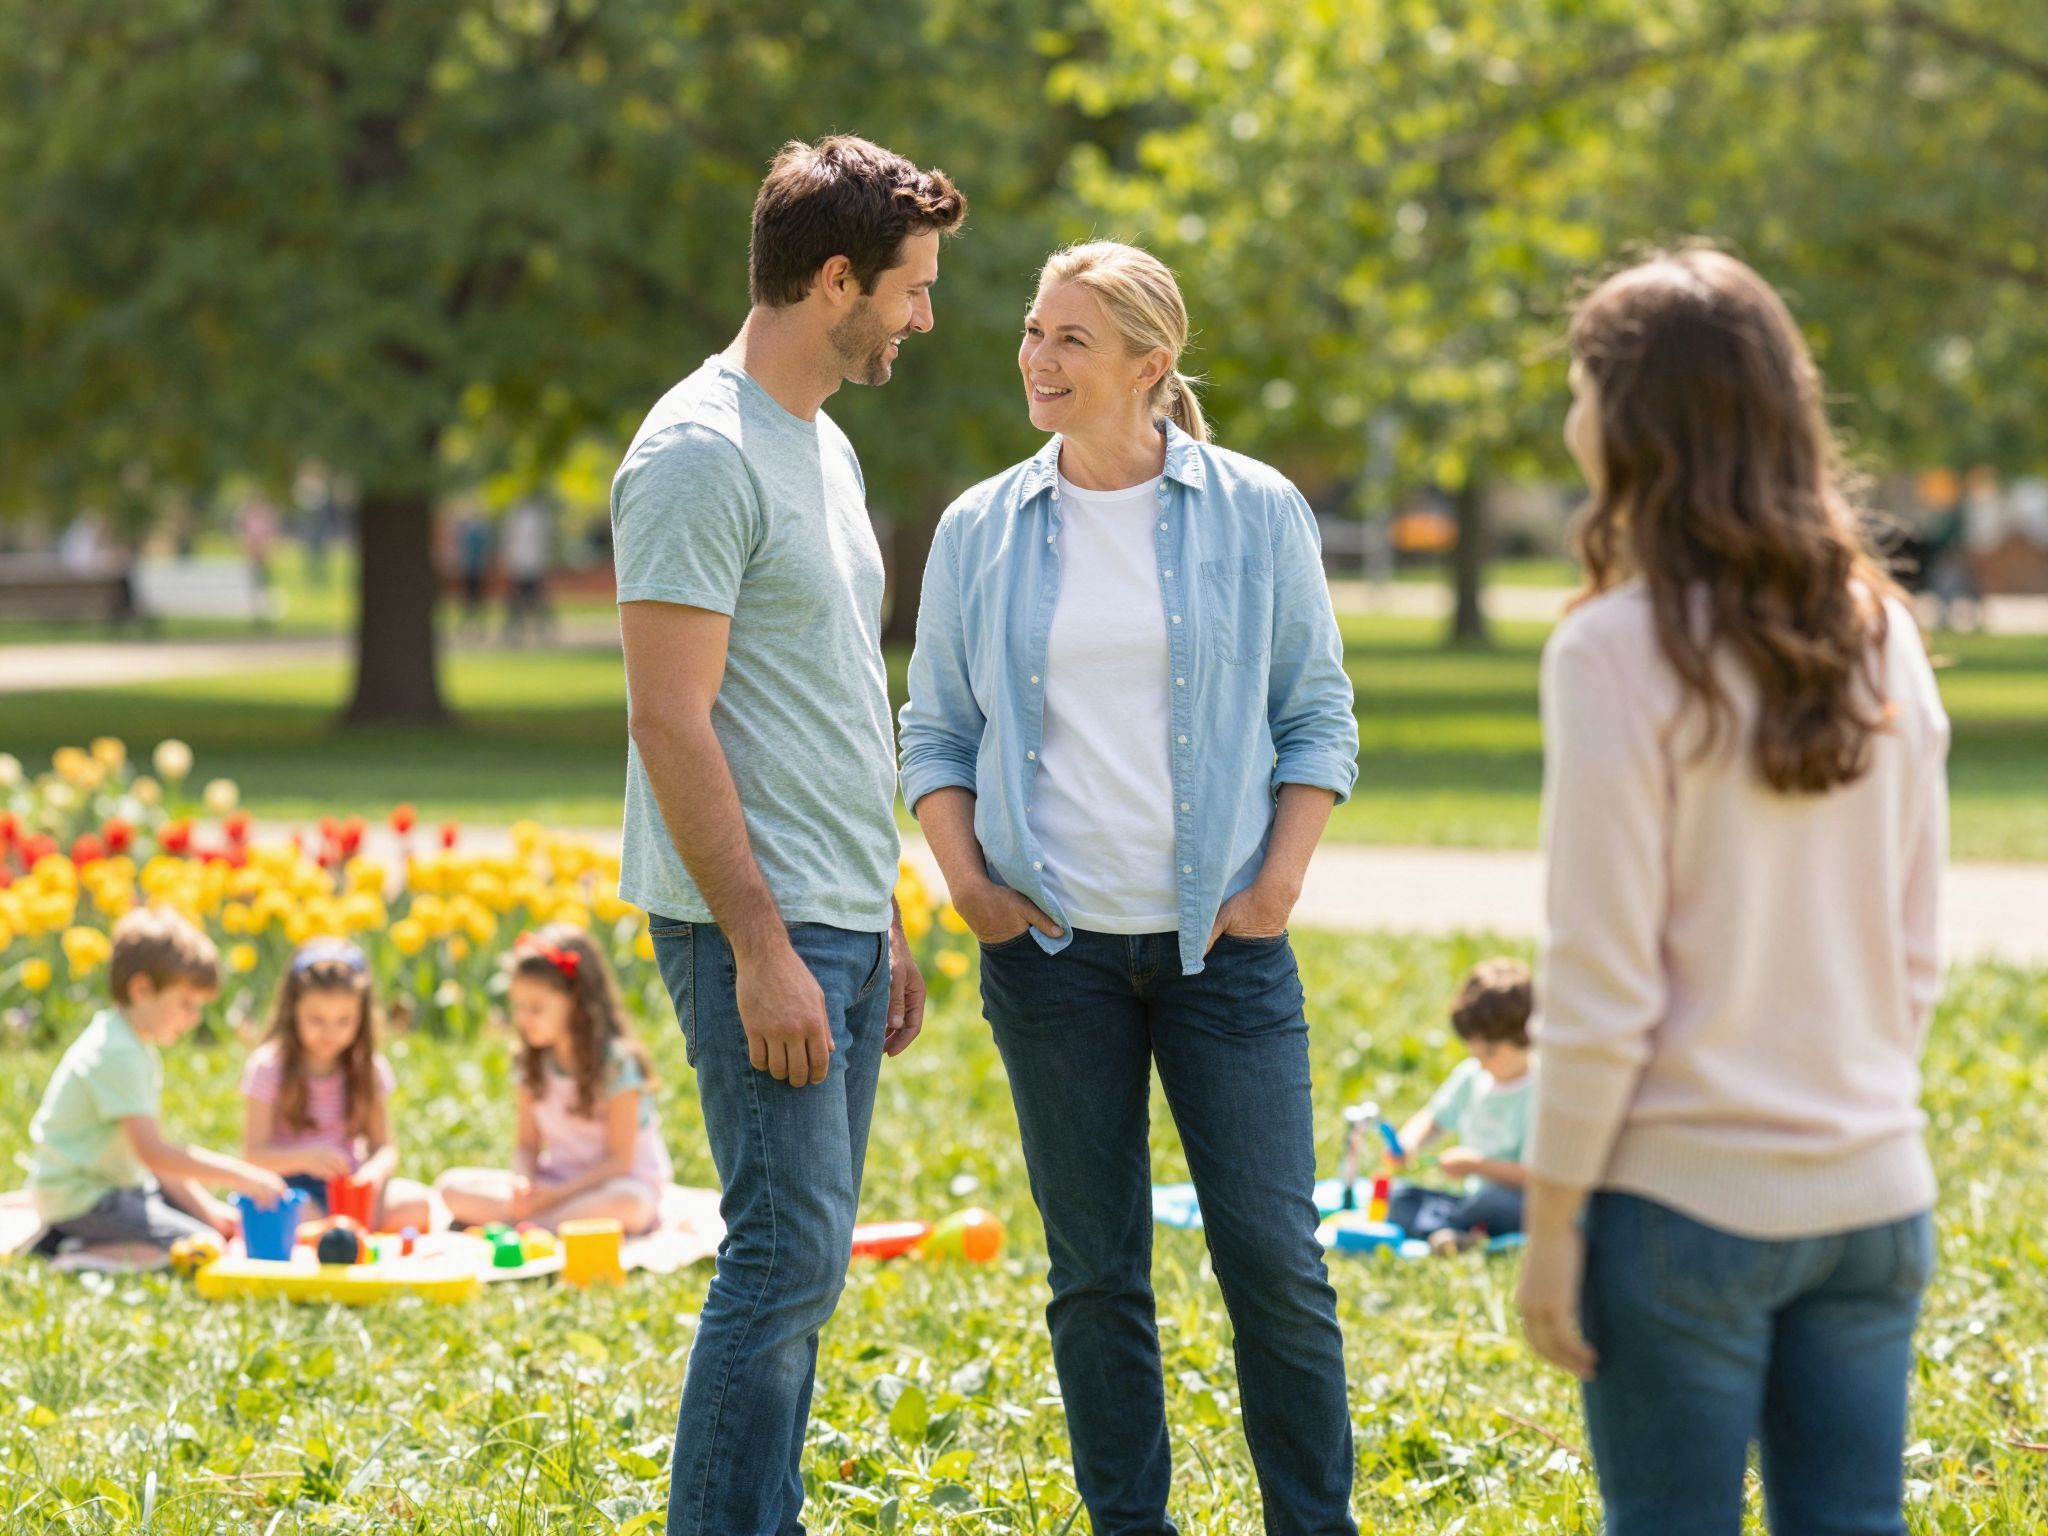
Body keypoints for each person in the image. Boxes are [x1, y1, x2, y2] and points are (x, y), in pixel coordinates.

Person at [899, 240, 1360, 1535]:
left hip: (1226, 954)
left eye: (1071, 341)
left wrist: (1277, 884)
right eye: (1035, 333)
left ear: (1150, 368)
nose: (1038, 359)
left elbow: (1317, 715)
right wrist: (972, 884)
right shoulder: (983, 526)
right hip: (1053, 960)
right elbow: (932, 729)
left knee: (1276, 1263)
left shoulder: (1258, 510)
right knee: (1096, 1276)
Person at [1514, 249, 1950, 1536]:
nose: (1569, 421)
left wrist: (1548, 1227)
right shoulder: (1882, 631)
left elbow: (1599, 981)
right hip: (1875, 1195)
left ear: (1640, 420)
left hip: (1679, 1211)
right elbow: (1914, 948)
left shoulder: (1609, 648)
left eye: (1583, 389)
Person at [609, 134, 955, 1536]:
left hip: (836, 910)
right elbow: (671, 723)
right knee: (784, 1255)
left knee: (806, 1263)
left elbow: (822, 697)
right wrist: (764, 944)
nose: (924, 317)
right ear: (835, 281)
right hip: (753, 921)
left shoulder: (818, 442)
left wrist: (880, 911)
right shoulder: (696, 454)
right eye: (912, 289)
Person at [28, 907, 286, 1255]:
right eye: (186, 1004)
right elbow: (157, 1155)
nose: (194, 1019)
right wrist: (245, 1176)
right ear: (142, 989)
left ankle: (83, 1241)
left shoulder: (129, 1043)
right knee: (201, 1248)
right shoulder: (118, 1054)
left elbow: (155, 1162)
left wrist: (209, 1212)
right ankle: (72, 1251)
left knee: (209, 1230)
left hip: (116, 1187)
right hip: (83, 1200)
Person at [436, 926, 673, 1234]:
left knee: (630, 1205)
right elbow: (526, 1143)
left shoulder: (617, 1064)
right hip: (555, 1185)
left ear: (577, 1002)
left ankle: (529, 1226)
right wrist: (523, 1183)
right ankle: (542, 1222)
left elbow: (619, 1161)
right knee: (450, 1187)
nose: (522, 1018)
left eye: (535, 1008)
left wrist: (556, 1196)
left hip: (614, 1185)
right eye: (518, 1006)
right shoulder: (530, 1061)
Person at [241, 938, 431, 1232]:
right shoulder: (269, 1067)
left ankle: (338, 1231)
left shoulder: (367, 1068)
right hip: (291, 1188)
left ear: (361, 1017)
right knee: (290, 1216)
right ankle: (336, 1232)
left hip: (349, 1187)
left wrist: (371, 1175)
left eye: (344, 1020)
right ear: (293, 1011)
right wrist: (306, 1159)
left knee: (416, 1204)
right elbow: (254, 1155)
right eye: (316, 1019)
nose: (330, 1032)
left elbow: (385, 1148)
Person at [1388, 957, 1531, 1250]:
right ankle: (1457, 1234)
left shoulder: (1540, 1091)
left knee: (1492, 1203)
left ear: (1527, 1037)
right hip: (1471, 1200)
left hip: (1518, 1200)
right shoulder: (1473, 1075)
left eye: (1490, 1052)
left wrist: (1475, 1165)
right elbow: (1435, 1118)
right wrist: (1408, 1143)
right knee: (1399, 1199)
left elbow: (1536, 1174)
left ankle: (1451, 1230)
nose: (1481, 1061)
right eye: (1475, 1051)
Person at [500, 494, 554, 644]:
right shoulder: (517, 517)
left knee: (535, 601)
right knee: (517, 602)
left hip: (531, 566)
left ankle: (541, 631)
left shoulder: (536, 517)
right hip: (521, 566)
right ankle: (516, 632)